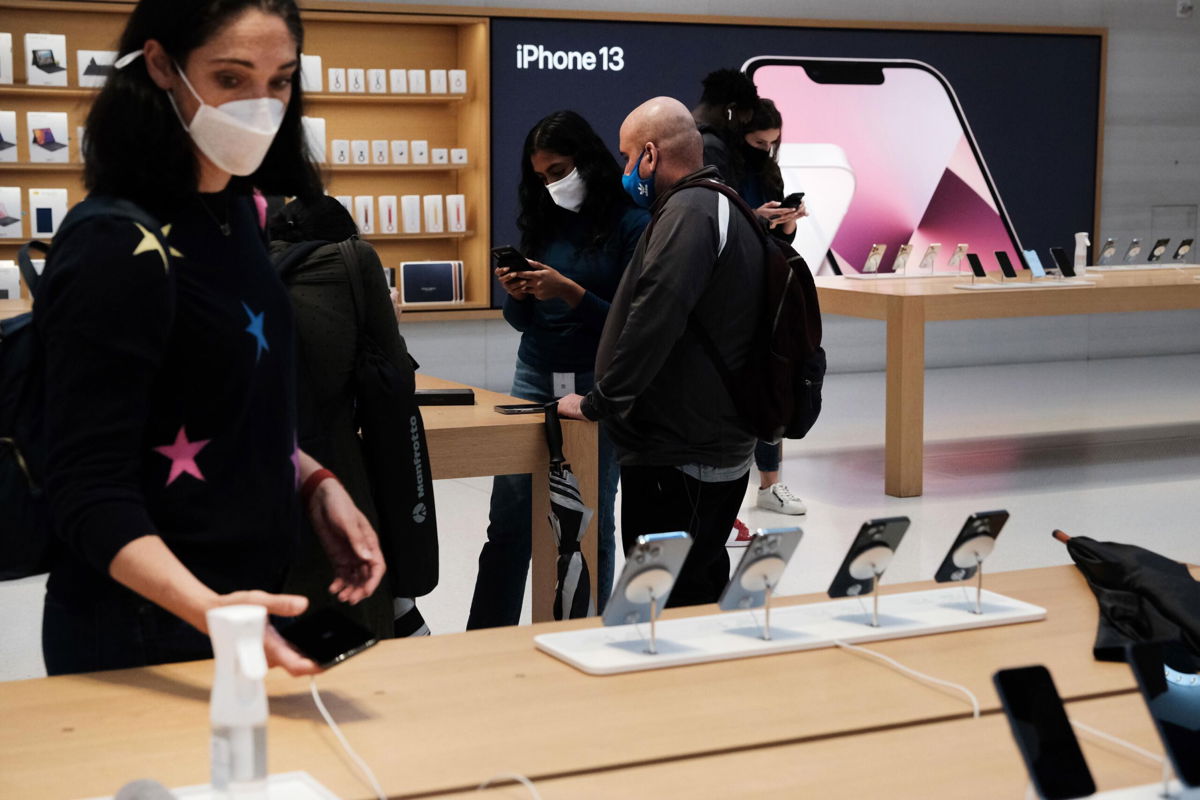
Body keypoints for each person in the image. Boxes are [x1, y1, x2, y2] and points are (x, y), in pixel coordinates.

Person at [36, 0, 384, 677]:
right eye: (231, 79)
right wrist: (211, 614)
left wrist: (314, 484)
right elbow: (85, 489)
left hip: (242, 610)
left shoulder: (234, 217)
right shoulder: (111, 240)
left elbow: (226, 405)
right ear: (163, 66)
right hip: (141, 629)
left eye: (279, 80)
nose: (261, 104)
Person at [557, 97, 766, 608]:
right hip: (703, 441)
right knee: (696, 581)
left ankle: (672, 687)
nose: (626, 171)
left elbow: (654, 321)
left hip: (683, 453)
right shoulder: (719, 203)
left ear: (651, 155)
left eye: (629, 158)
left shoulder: (690, 214)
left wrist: (597, 402)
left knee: (664, 600)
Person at [467, 110, 648, 628]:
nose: (552, 183)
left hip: (598, 385)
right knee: (509, 520)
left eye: (560, 170)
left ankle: (590, 629)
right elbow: (523, 322)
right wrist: (519, 293)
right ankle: (486, 635)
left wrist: (569, 292)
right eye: (542, 175)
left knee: (591, 521)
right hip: (534, 379)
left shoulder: (632, 224)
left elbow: (633, 322)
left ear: (588, 160)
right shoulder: (543, 223)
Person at [268, 195, 432, 640]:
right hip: (335, 463)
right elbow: (394, 377)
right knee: (356, 609)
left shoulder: (249, 266)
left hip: (253, 469)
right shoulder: (352, 260)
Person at [725, 98, 810, 526]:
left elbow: (784, 242)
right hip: (733, 289)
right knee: (742, 387)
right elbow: (723, 229)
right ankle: (732, 486)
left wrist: (787, 219)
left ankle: (770, 483)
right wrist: (754, 218)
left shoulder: (767, 169)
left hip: (769, 284)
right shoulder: (724, 169)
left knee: (775, 381)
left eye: (772, 143)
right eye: (759, 141)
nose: (765, 149)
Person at [690, 67, 760, 186]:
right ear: (730, 111)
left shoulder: (676, 131)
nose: (741, 131)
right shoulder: (711, 147)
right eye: (742, 123)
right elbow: (718, 202)